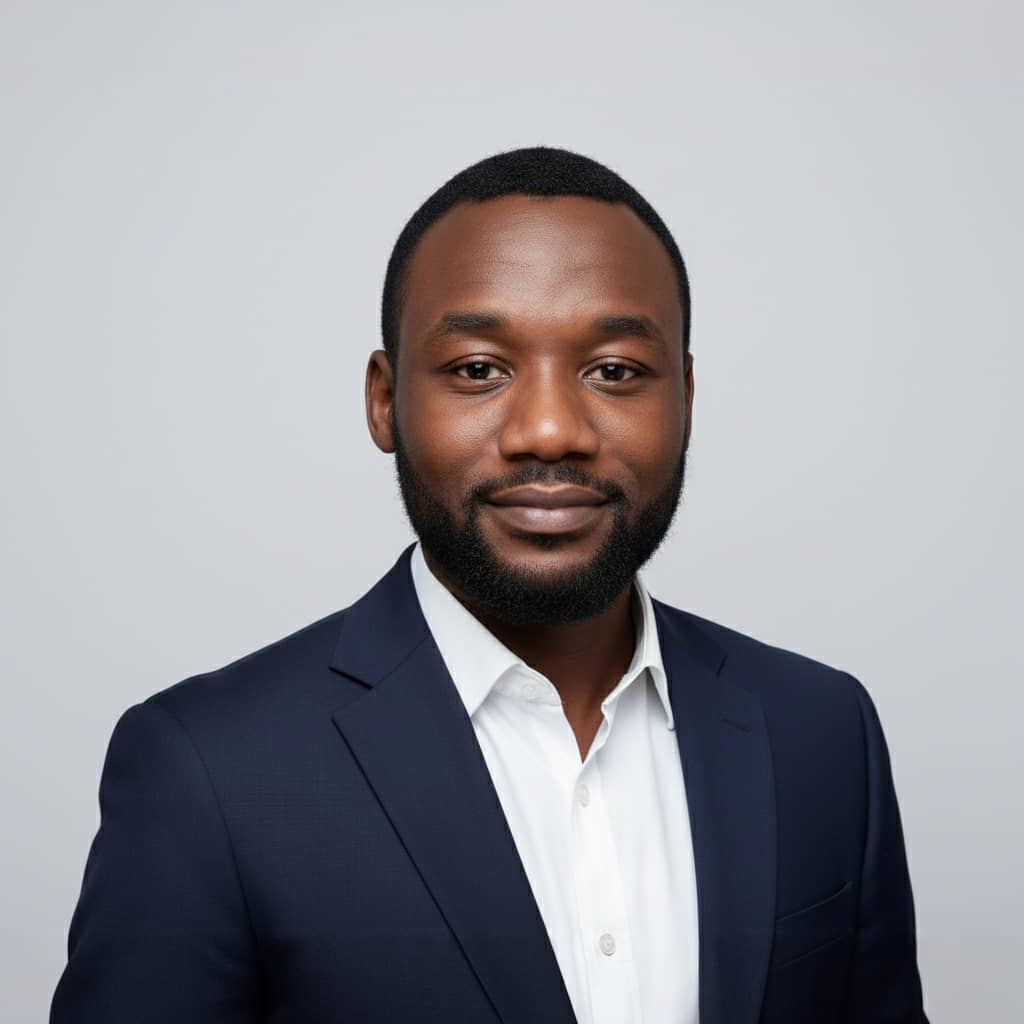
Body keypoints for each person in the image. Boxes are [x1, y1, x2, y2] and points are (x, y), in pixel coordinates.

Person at [50, 146, 929, 1023]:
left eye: (615, 371)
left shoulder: (821, 732)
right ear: (384, 401)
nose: (548, 430)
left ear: (687, 399)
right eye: (478, 369)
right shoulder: (208, 772)